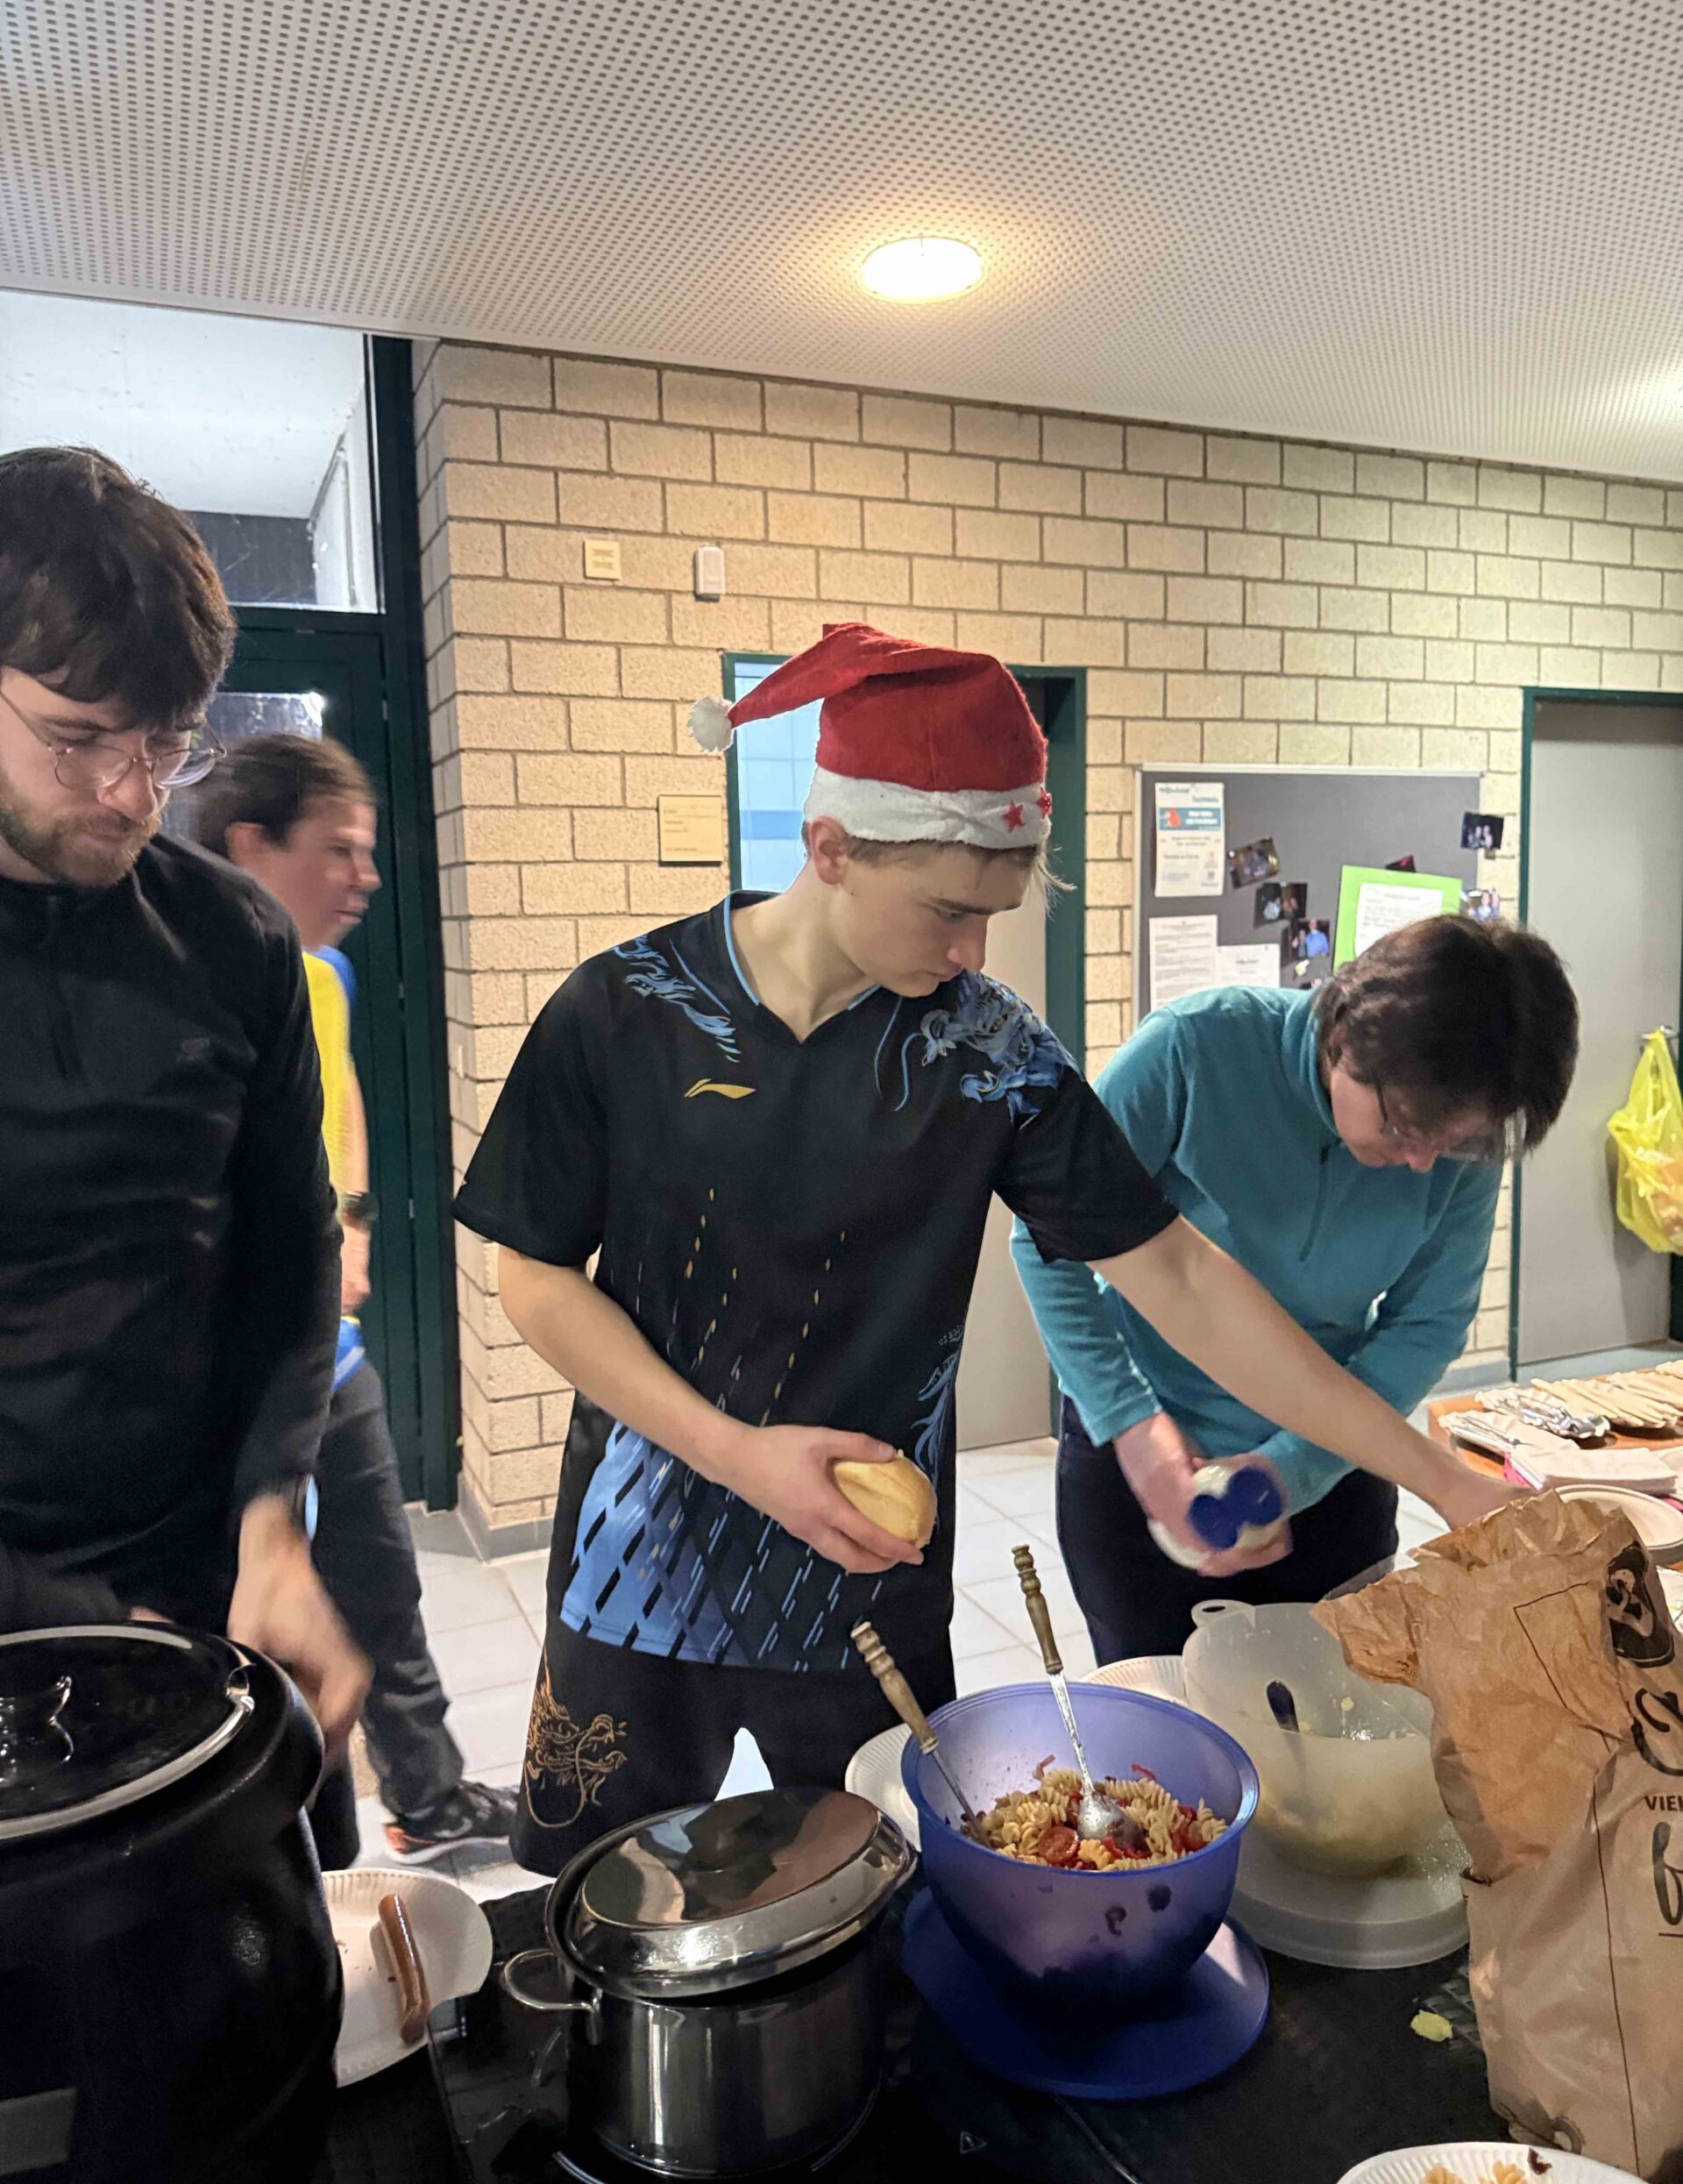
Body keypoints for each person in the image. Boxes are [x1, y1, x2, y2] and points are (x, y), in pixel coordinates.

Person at [453, 622, 1506, 1872]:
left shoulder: (990, 1054)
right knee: (603, 1893)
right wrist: (738, 1456)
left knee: (874, 1886)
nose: (973, 955)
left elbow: (1176, 1275)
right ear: (829, 846)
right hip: (641, 1552)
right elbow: (531, 1280)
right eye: (948, 911)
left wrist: (1443, 1482)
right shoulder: (624, 1012)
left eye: (995, 915)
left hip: (864, 1577)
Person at [0, 445, 366, 1766]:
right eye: (78, 738)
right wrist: (91, 1622)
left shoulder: (230, 937)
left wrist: (273, 1516)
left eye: (165, 742)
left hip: (215, 1588)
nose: (130, 792)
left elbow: (290, 1244)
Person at [1013, 914, 1579, 1663]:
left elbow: (1427, 1325)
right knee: (1158, 1738)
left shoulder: (1449, 1145)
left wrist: (1298, 1468)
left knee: (1327, 1726)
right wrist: (1129, 1422)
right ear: (1345, 1035)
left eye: (1451, 1143)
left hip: (1339, 1465)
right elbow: (1048, 1242)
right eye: (1407, 1127)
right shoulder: (1193, 1050)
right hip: (1141, 1447)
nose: (1421, 1163)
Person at [197, 732, 519, 1861]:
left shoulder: (321, 978)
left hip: (331, 1357)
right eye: (338, 850)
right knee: (251, 1628)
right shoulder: (186, 985)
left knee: (383, 1584)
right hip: (229, 1395)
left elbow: (342, 1109)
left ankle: (429, 1798)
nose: (365, 877)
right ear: (252, 845)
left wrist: (357, 1223)